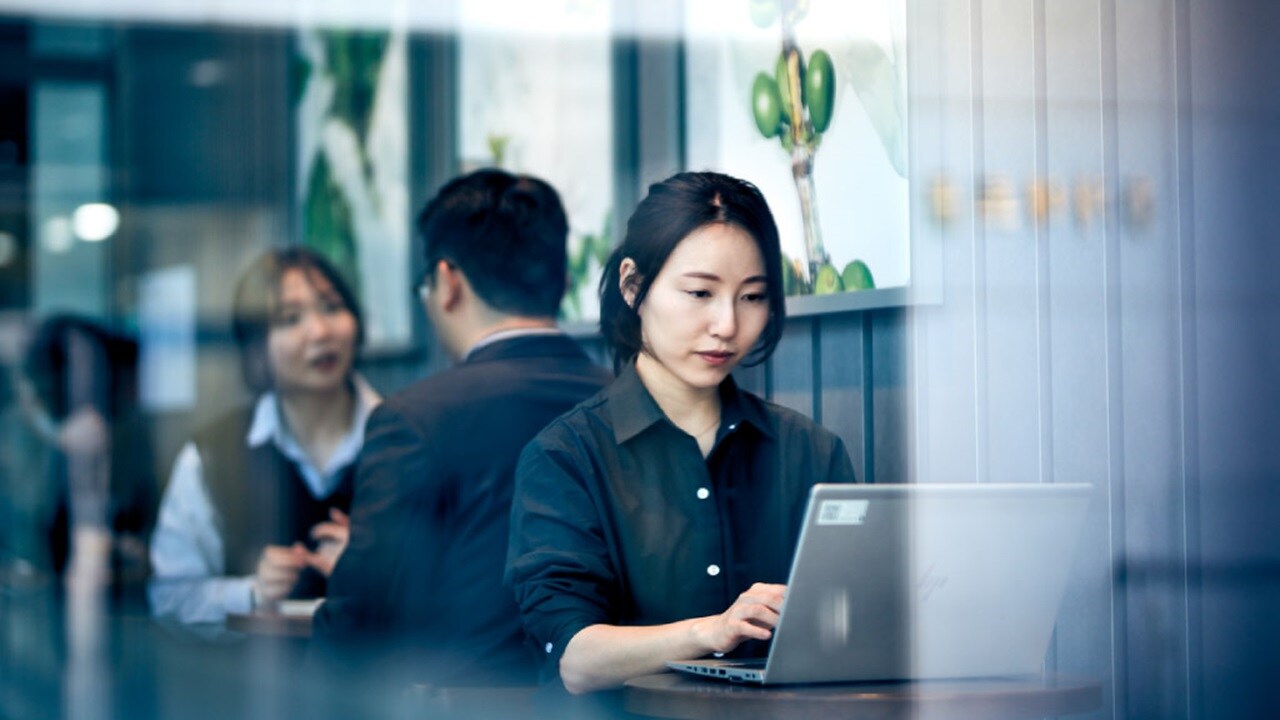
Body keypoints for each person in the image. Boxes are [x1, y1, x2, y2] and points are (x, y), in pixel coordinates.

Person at [506, 171, 859, 712]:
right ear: (633, 286)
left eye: (753, 296)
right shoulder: (565, 456)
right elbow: (574, 658)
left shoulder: (810, 450)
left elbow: (849, 630)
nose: (727, 324)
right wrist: (709, 632)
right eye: (700, 293)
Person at [311, 169, 611, 691]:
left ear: (448, 281)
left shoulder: (413, 420)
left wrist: (351, 563)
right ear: (562, 281)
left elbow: (358, 620)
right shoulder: (630, 401)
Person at [148, 247, 381, 624]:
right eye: (290, 319)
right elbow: (170, 596)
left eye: (332, 307)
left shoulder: (408, 437)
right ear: (256, 349)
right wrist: (252, 591)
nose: (320, 332)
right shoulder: (212, 455)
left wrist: (376, 572)